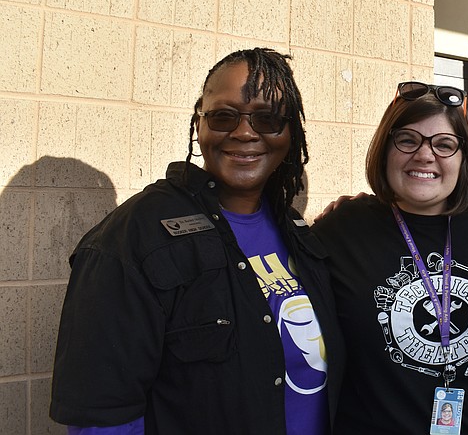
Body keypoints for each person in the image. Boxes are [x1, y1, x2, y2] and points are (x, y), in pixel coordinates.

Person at [50, 48, 343, 434]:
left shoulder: (295, 230)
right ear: (199, 123)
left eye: (267, 118)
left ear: (291, 133)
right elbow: (102, 417)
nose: (244, 132)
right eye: (224, 116)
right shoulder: (132, 238)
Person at [311, 82, 468, 434]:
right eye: (407, 140)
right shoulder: (343, 228)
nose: (424, 155)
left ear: (463, 156)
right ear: (385, 148)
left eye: (444, 144)